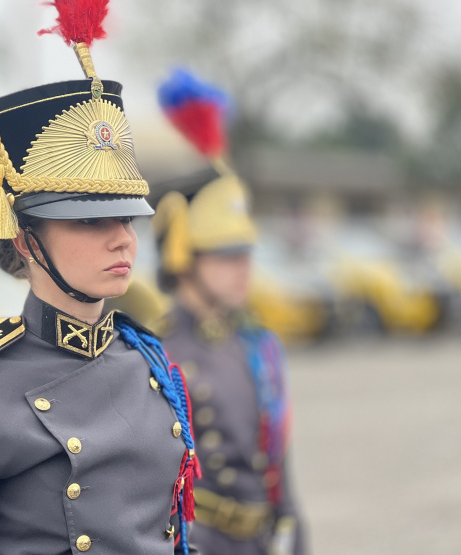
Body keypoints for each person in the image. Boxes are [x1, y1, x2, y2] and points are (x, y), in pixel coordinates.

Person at [0, 3, 199, 554]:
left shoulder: (149, 366)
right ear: (24, 238)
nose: (122, 239)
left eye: (126, 218)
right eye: (90, 221)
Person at [152, 70, 307, 555]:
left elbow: (278, 467)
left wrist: (294, 535)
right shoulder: (155, 350)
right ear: (182, 255)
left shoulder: (258, 344)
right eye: (225, 254)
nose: (244, 268)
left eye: (246, 253)